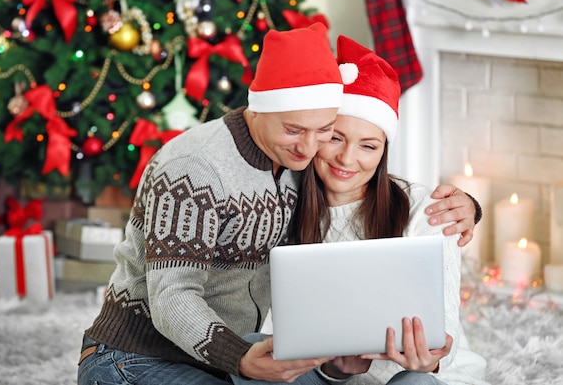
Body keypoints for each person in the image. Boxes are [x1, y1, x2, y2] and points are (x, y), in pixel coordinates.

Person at [77, 24, 481, 385]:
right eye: (295, 130)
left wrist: (468, 206)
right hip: (136, 357)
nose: (311, 147)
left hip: (231, 352)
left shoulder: (298, 166)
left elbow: (363, 186)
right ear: (260, 106)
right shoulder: (193, 168)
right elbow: (172, 298)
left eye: (324, 130)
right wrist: (241, 360)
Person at [232, 35, 489, 385]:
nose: (347, 159)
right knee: (252, 349)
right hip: (324, 374)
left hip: (416, 377)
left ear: (383, 153)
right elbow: (284, 331)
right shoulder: (282, 200)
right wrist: (336, 369)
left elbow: (446, 330)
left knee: (413, 383)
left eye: (368, 146)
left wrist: (427, 361)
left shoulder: (427, 210)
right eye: (335, 138)